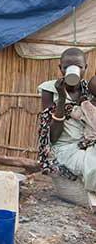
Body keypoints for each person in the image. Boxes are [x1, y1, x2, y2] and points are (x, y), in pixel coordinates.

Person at [38, 47, 96, 192]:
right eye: (67, 67)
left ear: (85, 68)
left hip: (87, 144)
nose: (74, 71)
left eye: (79, 67)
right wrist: (62, 98)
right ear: (61, 68)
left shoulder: (90, 90)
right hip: (65, 149)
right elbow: (53, 137)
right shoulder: (50, 90)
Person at [70, 76, 96, 149]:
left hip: (90, 138)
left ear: (89, 92)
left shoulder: (86, 105)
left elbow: (75, 115)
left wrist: (77, 105)